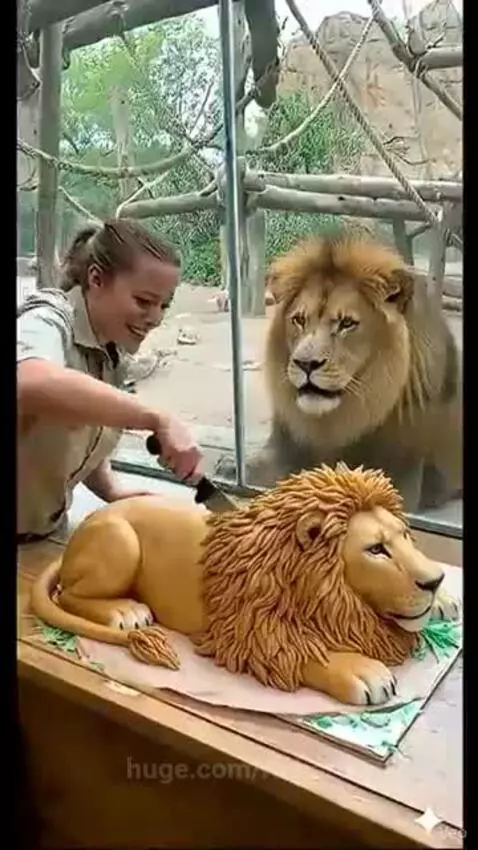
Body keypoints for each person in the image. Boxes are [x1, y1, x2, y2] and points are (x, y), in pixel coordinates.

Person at [17, 218, 203, 543]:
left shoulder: (112, 352)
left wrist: (113, 491)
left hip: (42, 534)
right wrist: (155, 418)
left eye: (164, 305)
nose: (156, 318)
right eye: (143, 301)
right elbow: (30, 381)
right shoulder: (46, 319)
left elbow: (85, 432)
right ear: (96, 279)